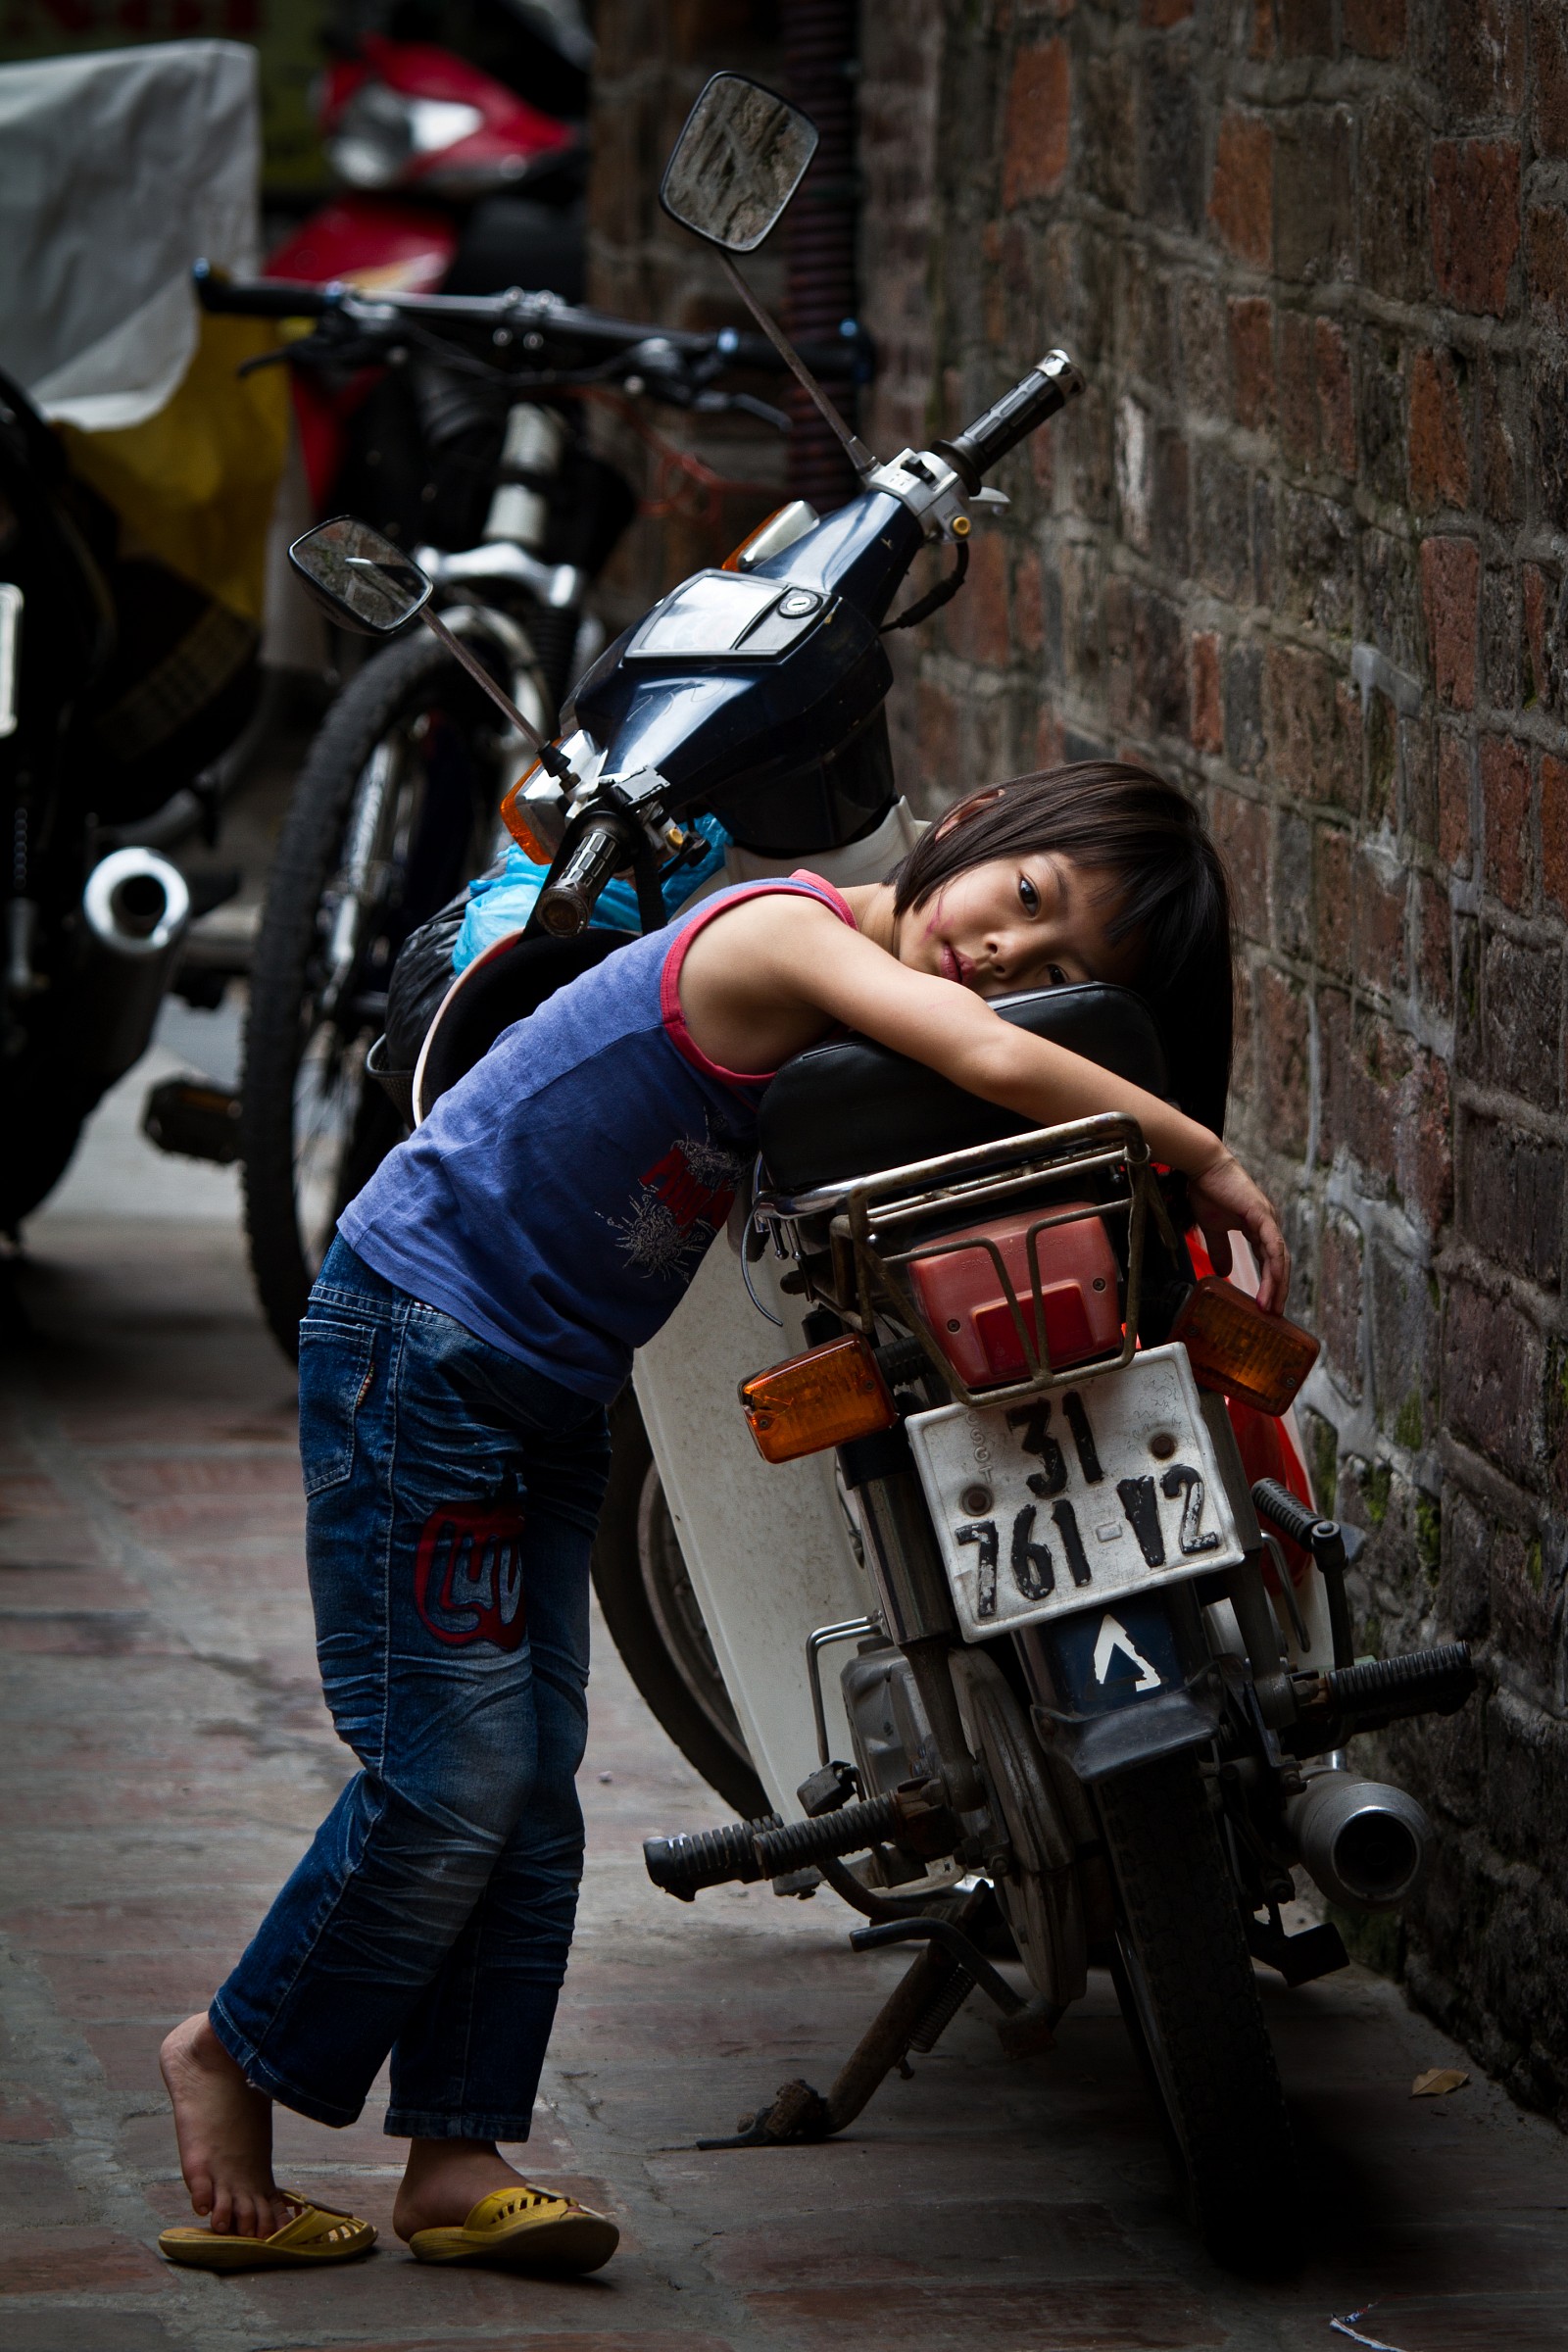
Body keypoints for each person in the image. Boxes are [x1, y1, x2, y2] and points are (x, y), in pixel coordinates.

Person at [157, 759, 1288, 2275]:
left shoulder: (847, 1016)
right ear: (966, 831)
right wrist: (1196, 1151)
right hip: (417, 1345)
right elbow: (984, 1049)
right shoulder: (785, 935)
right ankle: (233, 2054)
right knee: (449, 1779)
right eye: (1026, 902)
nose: (1015, 960)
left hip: (536, 1388)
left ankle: (454, 2151)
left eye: (1068, 968)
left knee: (533, 1779)